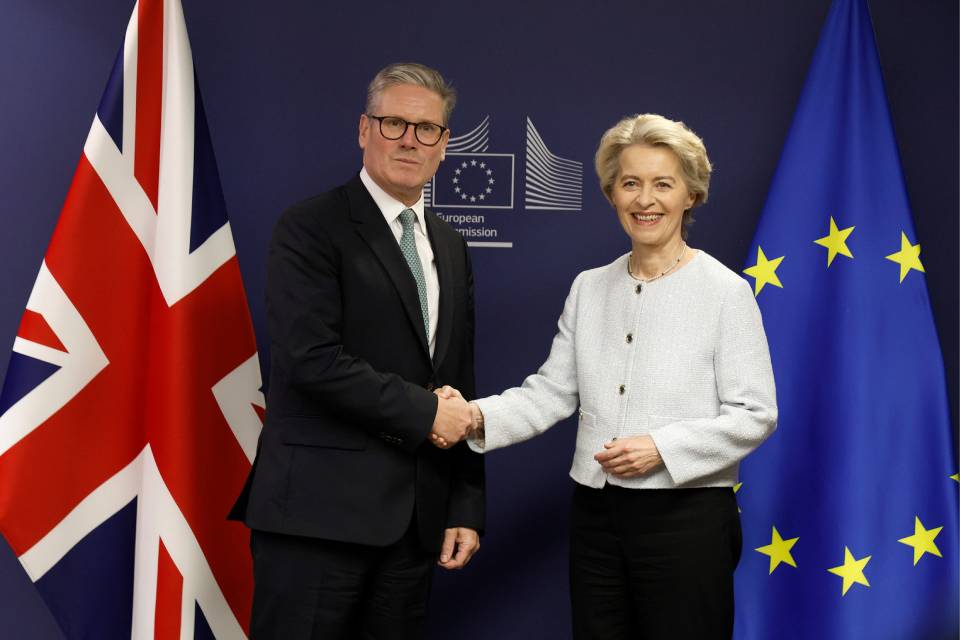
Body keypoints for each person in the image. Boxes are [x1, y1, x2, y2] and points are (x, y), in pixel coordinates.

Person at [431, 114, 777, 639]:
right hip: (596, 514)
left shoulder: (725, 293)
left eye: (663, 184)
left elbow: (756, 414)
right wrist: (474, 416)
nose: (645, 200)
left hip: (687, 519)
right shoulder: (590, 288)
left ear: (691, 195)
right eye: (630, 183)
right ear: (612, 193)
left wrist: (661, 447)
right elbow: (550, 392)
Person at [230, 62, 484, 640]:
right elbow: (311, 359)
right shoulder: (310, 227)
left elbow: (459, 382)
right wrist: (427, 415)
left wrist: (465, 503)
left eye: (426, 129)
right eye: (394, 123)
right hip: (316, 519)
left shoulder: (450, 244)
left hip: (414, 522)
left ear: (444, 146)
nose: (409, 140)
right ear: (364, 129)